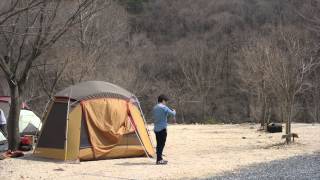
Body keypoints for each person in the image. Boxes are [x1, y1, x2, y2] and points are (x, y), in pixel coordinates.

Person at [152, 94, 176, 165]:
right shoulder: (164, 107)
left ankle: (159, 159)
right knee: (161, 144)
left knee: (158, 144)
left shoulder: (155, 107)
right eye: (165, 101)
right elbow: (172, 113)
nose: (166, 103)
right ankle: (159, 160)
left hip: (156, 128)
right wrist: (174, 111)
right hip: (162, 128)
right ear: (163, 100)